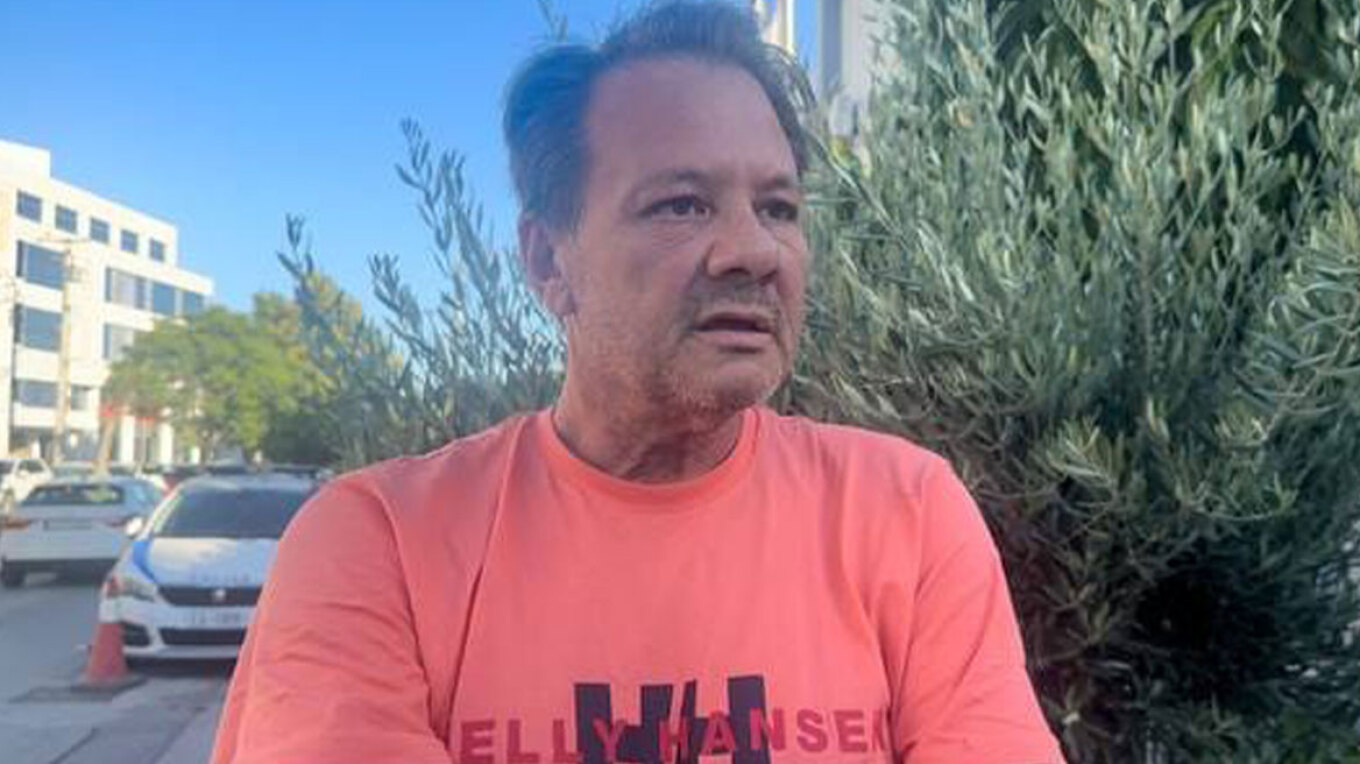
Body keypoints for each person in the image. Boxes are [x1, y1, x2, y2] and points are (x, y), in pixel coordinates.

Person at [211, 2, 1063, 762]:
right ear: (549, 262)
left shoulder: (906, 514)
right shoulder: (376, 545)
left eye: (778, 208)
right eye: (681, 204)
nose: (754, 250)